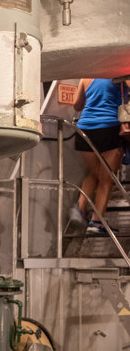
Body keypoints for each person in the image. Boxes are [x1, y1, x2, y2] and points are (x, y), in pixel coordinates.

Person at [65, 78, 127, 236]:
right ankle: (97, 223)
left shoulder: (85, 77)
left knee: (94, 173)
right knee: (106, 178)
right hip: (109, 127)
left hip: (84, 129)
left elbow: (77, 105)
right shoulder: (117, 74)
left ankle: (79, 210)